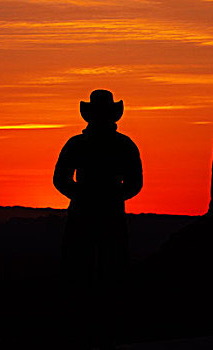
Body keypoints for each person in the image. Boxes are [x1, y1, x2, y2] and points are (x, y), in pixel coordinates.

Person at [53, 89, 143, 349]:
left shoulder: (77, 144)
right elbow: (135, 184)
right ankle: (102, 326)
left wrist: (82, 195)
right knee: (106, 269)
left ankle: (84, 327)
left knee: (84, 270)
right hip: (107, 213)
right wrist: (113, 197)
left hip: (87, 213)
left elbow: (61, 180)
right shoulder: (124, 144)